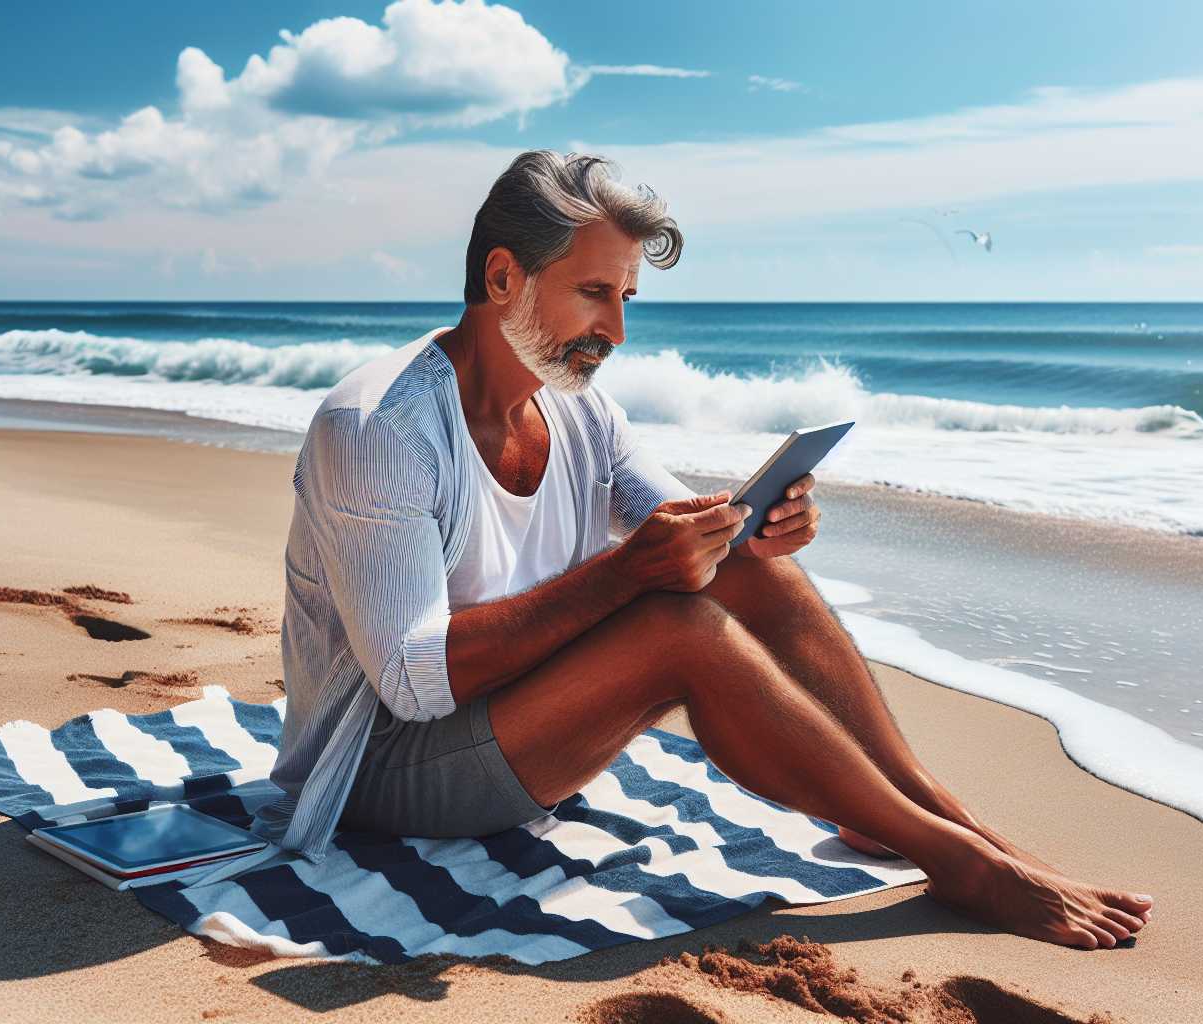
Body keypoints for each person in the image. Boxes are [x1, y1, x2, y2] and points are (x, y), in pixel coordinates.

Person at [256, 150, 1152, 950]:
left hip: (509, 719)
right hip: (378, 771)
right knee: (676, 627)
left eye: (627, 297)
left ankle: (929, 810)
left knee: (749, 569)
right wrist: (631, 571)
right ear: (502, 277)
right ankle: (960, 862)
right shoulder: (379, 430)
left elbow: (677, 524)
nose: (617, 329)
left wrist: (752, 527)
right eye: (594, 292)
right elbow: (413, 684)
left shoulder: (576, 400)